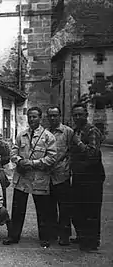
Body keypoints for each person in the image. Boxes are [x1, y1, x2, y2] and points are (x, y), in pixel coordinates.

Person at [3, 107, 57, 248]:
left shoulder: (48, 136)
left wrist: (32, 163)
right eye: (30, 117)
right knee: (18, 209)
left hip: (39, 177)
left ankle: (44, 238)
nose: (32, 119)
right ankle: (14, 236)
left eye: (34, 117)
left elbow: (52, 158)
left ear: (40, 118)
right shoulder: (21, 135)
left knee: (42, 210)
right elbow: (13, 152)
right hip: (22, 177)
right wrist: (20, 161)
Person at [69, 103, 105, 251]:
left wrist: (78, 143)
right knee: (78, 209)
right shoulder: (76, 131)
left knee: (92, 210)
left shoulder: (92, 131)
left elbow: (92, 154)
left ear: (86, 115)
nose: (78, 117)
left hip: (92, 177)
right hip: (79, 175)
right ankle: (82, 237)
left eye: (80, 114)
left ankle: (92, 242)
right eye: (75, 115)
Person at [46, 106, 74, 246]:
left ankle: (65, 235)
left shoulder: (68, 132)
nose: (52, 118)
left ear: (60, 116)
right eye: (50, 116)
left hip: (62, 174)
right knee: (50, 207)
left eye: (55, 115)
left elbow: (72, 150)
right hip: (48, 175)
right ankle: (52, 233)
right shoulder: (45, 132)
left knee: (64, 207)